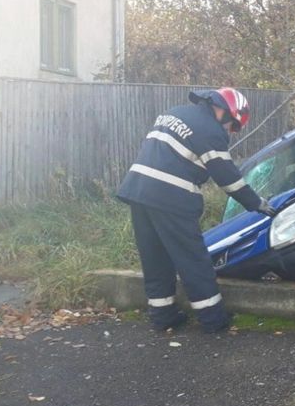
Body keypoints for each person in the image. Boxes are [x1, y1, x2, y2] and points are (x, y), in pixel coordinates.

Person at [117, 88, 276, 333]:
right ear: (224, 111)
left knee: (154, 257)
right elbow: (228, 178)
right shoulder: (210, 130)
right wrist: (257, 203)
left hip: (138, 191)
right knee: (193, 259)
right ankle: (213, 320)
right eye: (232, 125)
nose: (230, 131)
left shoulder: (174, 113)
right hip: (171, 197)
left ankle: (162, 315)